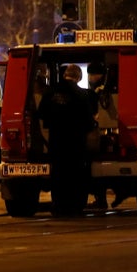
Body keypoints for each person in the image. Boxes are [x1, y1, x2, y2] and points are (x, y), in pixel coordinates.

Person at [38, 63, 96, 215]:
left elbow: (41, 113)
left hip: (56, 141)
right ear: (79, 77)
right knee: (75, 175)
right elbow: (89, 122)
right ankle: (74, 206)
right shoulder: (82, 95)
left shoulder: (50, 92)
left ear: (65, 75)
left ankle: (58, 205)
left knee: (58, 174)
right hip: (76, 143)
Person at [85, 62, 109, 209]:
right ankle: (100, 198)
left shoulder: (101, 89)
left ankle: (100, 198)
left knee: (96, 166)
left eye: (93, 74)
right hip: (98, 130)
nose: (91, 77)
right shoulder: (95, 88)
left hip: (99, 131)